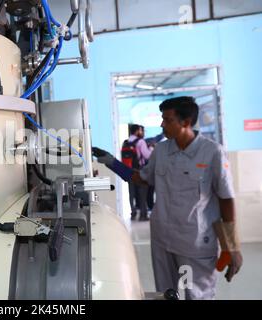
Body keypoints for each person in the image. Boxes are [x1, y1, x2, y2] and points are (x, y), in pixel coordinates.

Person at [92, 96, 243, 299]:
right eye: (162, 119)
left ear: (186, 122)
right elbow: (142, 178)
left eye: (168, 120)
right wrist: (111, 162)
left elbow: (226, 199)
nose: (162, 125)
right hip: (162, 241)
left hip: (193, 244)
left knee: (196, 295)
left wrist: (231, 246)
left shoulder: (212, 153)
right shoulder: (161, 151)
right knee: (166, 295)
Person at [122, 124, 152, 221]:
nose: (142, 132)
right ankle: (143, 214)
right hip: (139, 170)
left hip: (128, 170)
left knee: (132, 192)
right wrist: (151, 149)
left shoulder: (126, 142)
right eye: (141, 130)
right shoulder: (141, 141)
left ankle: (133, 213)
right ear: (138, 131)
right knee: (142, 191)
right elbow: (147, 156)